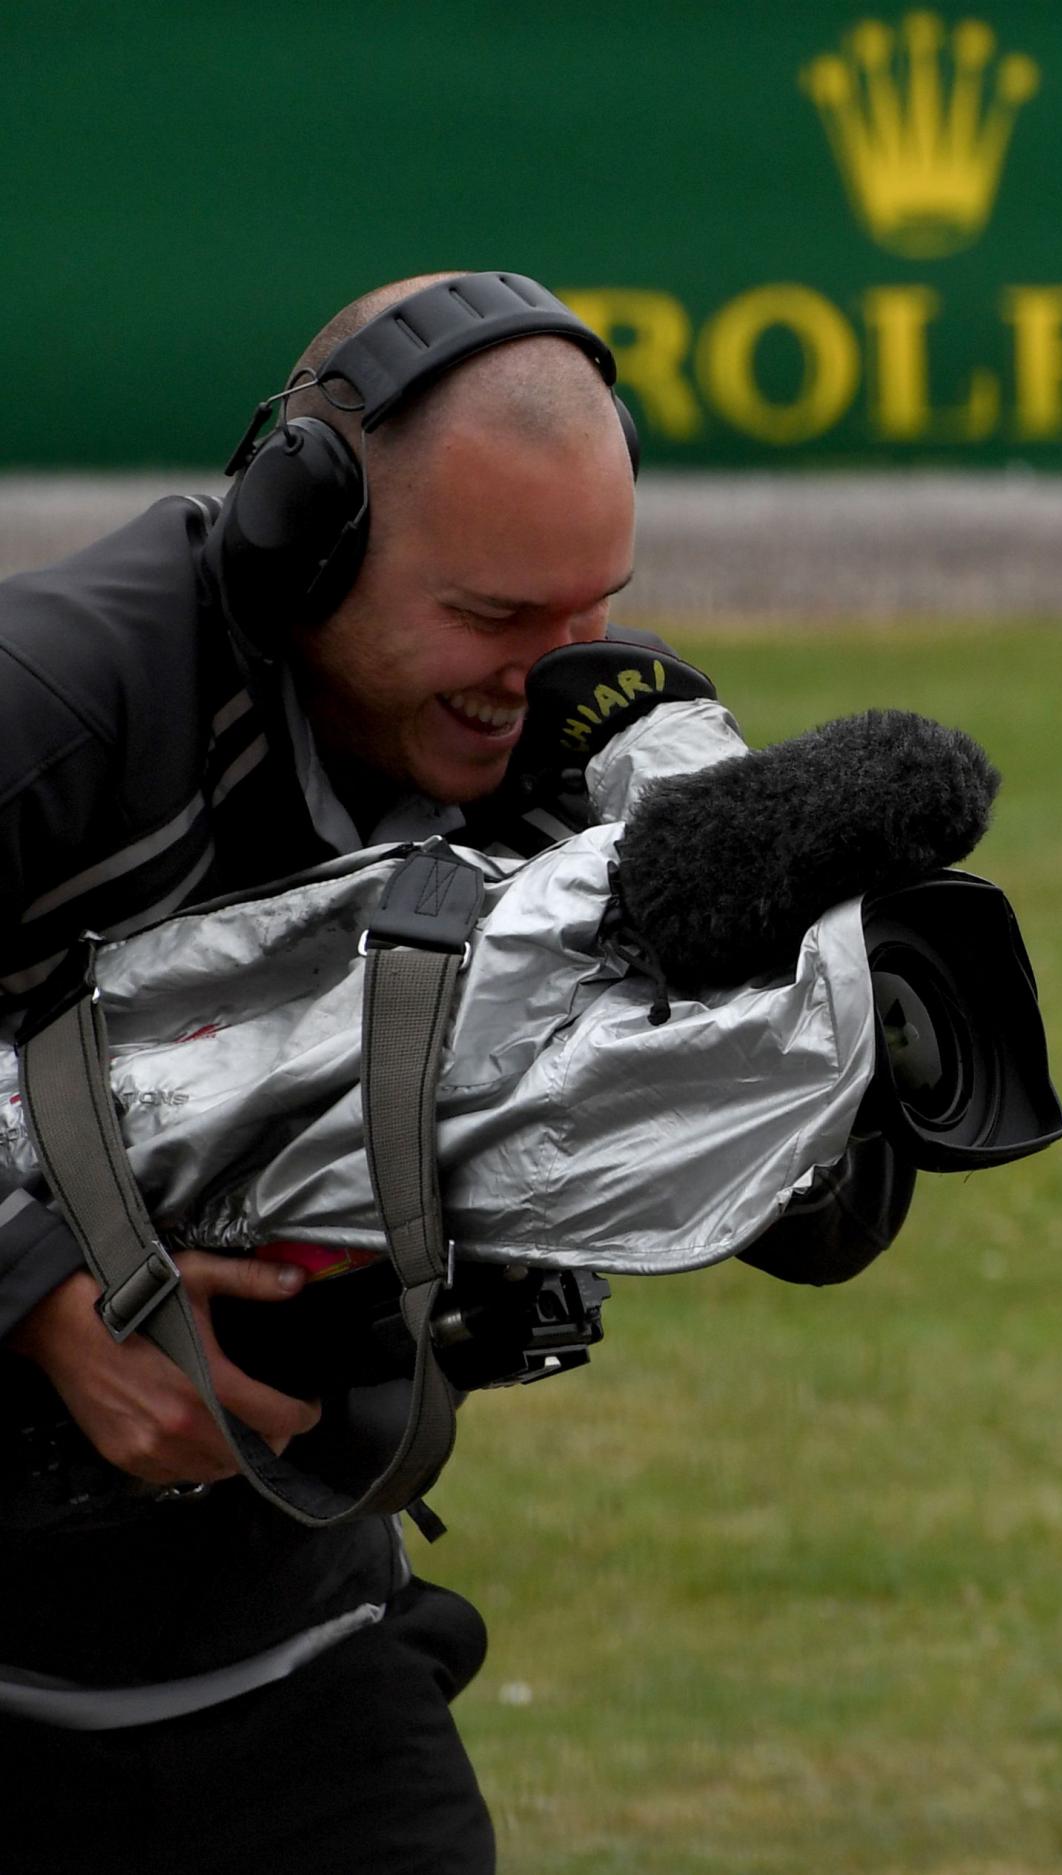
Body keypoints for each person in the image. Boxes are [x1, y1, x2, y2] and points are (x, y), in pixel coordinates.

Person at [0, 271, 638, 1872]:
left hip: (290, 1643)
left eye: (595, 614)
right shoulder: (56, 704)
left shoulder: (566, 749)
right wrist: (45, 1284)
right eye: (494, 621)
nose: (551, 680)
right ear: (305, 538)